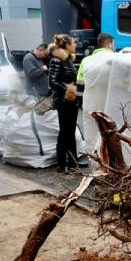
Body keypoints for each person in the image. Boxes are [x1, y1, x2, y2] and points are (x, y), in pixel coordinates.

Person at [47, 33, 85, 173]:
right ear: (67, 45)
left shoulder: (68, 60)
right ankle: (62, 165)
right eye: (73, 43)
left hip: (72, 101)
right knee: (65, 132)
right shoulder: (57, 60)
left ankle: (74, 164)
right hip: (63, 101)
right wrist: (69, 90)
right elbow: (52, 82)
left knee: (70, 132)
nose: (75, 45)